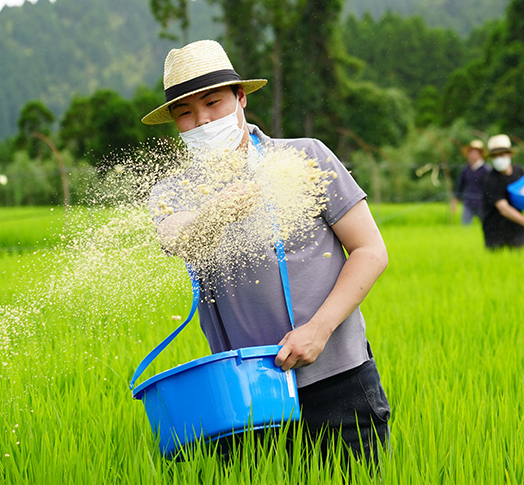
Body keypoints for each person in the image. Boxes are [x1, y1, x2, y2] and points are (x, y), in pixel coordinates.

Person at [140, 40, 390, 463]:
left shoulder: (304, 157)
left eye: (212, 103)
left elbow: (370, 250)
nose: (201, 120)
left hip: (338, 379)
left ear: (240, 97)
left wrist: (319, 330)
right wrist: (212, 216)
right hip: (244, 396)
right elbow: (174, 236)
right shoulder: (174, 190)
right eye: (185, 113)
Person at [480, 134, 524, 250]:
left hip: (517, 228)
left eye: (502, 154)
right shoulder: (490, 179)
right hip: (495, 231)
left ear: (509, 154)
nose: (499, 159)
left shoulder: (519, 172)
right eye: (495, 156)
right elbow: (503, 209)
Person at [451, 139, 491, 225]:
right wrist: (455, 201)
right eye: (471, 152)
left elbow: (490, 187)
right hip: (468, 202)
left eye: (475, 152)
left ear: (480, 154)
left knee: (486, 226)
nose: (473, 154)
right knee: (465, 227)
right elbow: (460, 185)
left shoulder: (486, 169)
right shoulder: (466, 169)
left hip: (482, 203)